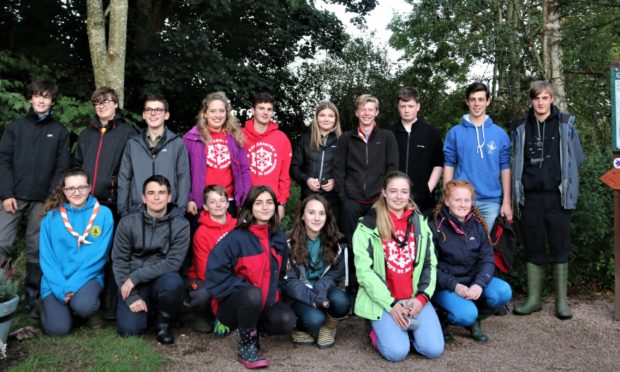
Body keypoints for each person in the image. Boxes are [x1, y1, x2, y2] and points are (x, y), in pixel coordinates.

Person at [353, 171, 443, 362]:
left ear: (409, 193)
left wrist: (421, 298)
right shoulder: (367, 226)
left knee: (433, 349)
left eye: (404, 191)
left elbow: (430, 264)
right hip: (385, 301)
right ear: (384, 192)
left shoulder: (420, 223)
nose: (399, 196)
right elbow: (364, 273)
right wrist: (391, 304)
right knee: (397, 353)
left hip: (413, 298)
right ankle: (377, 331)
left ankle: (407, 332)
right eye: (393, 191)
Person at [512, 81, 584, 319]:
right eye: (536, 98)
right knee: (533, 246)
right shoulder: (521, 127)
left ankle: (561, 303)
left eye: (545, 98)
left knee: (559, 245)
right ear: (531, 100)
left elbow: (578, 158)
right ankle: (533, 300)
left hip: (558, 196)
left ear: (551, 98)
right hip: (530, 196)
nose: (540, 103)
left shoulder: (565, 124)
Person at [0, 79, 70, 318]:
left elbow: (62, 168)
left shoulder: (59, 131)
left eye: (47, 96)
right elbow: (3, 161)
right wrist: (7, 193)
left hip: (43, 200)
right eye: (37, 95)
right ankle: (3, 292)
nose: (41, 100)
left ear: (52, 101)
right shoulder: (16, 127)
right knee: (2, 243)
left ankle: (33, 299)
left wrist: (51, 198)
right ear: (30, 98)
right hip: (13, 197)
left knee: (36, 248)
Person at [205, 186, 295, 369]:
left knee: (287, 320)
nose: (265, 207)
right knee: (253, 294)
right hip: (233, 307)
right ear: (250, 207)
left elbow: (283, 275)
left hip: (265, 303)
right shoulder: (236, 238)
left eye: (269, 202)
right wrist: (246, 288)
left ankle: (253, 330)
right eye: (259, 203)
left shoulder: (279, 239)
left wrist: (276, 292)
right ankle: (246, 346)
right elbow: (215, 274)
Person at [73, 86, 136, 319]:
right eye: (97, 102)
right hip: (86, 203)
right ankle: (87, 301)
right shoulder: (86, 134)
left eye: (106, 101)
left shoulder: (128, 133)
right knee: (89, 250)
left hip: (113, 202)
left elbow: (131, 168)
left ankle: (112, 305)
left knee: (114, 254)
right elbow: (76, 165)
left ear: (116, 104)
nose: (101, 106)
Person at [431, 180, 512, 342]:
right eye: (457, 200)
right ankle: (442, 318)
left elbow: (488, 259)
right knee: (466, 314)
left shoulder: (478, 224)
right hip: (446, 286)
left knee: (503, 292)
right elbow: (431, 267)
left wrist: (479, 284)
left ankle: (475, 320)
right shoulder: (435, 226)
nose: (463, 204)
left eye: (466, 200)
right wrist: (455, 286)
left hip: (472, 281)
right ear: (447, 201)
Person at [112, 175, 190, 345]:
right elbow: (119, 261)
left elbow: (173, 262)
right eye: (151, 192)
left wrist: (136, 276)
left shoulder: (181, 224)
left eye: (162, 193)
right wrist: (131, 297)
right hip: (133, 283)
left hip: (161, 279)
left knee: (173, 282)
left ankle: (163, 323)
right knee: (129, 330)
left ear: (169, 197)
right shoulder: (128, 222)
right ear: (143, 198)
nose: (156, 197)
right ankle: (147, 310)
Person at [334, 94, 399, 292]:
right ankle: (353, 287)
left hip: (377, 201)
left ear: (377, 112)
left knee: (378, 245)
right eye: (363, 109)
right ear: (357, 112)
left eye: (371, 109)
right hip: (352, 201)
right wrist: (344, 197)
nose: (367, 113)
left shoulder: (387, 137)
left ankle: (379, 285)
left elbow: (392, 167)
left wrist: (385, 196)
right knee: (353, 245)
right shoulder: (346, 138)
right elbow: (339, 169)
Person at [38, 169, 113, 336]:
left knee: (84, 306)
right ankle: (46, 306)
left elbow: (99, 257)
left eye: (81, 187)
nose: (77, 192)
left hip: (87, 277)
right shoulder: (50, 218)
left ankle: (81, 310)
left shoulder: (104, 214)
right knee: (58, 329)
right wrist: (60, 288)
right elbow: (47, 259)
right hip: (55, 280)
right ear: (64, 191)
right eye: (71, 188)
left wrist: (72, 286)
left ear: (89, 188)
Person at [443, 82, 512, 229]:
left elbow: (505, 168)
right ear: (467, 102)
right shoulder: (455, 133)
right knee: (460, 246)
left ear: (488, 101)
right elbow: (448, 164)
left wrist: (506, 202)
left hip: (491, 201)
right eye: (473, 99)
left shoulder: (499, 134)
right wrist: (447, 197)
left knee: (487, 248)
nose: (477, 104)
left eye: (481, 99)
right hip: (461, 200)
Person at [284, 194, 350, 349]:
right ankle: (299, 327)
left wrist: (319, 293)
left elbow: (335, 276)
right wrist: (313, 299)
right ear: (302, 216)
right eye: (311, 212)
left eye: (321, 213)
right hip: (298, 294)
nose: (316, 218)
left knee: (342, 302)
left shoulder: (337, 242)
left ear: (327, 217)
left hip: (323, 290)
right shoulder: (287, 242)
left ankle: (328, 328)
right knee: (314, 319)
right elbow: (290, 282)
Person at [117, 94, 190, 217]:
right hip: (137, 211)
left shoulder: (177, 143)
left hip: (169, 212)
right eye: (149, 110)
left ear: (166, 115)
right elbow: (124, 178)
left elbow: (183, 178)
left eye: (158, 110)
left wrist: (180, 210)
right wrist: (123, 211)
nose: (153, 113)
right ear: (144, 115)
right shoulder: (133, 144)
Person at [183, 91, 251, 220]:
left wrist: (244, 200)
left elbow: (244, 170)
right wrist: (189, 199)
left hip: (228, 202)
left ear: (226, 114)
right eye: (213, 111)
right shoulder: (191, 138)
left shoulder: (235, 137)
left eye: (221, 111)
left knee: (228, 239)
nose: (217, 115)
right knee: (201, 239)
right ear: (205, 114)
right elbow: (183, 172)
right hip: (200, 203)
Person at [186, 185, 237, 333]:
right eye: (213, 202)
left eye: (222, 200)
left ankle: (228, 314)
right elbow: (204, 269)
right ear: (206, 207)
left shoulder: (237, 226)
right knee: (202, 295)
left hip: (232, 275)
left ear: (228, 204)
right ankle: (201, 314)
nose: (218, 205)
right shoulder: (201, 233)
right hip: (205, 278)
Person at [390, 87, 443, 215]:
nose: (406, 110)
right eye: (403, 106)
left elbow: (438, 164)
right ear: (398, 107)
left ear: (418, 107)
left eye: (410, 106)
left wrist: (427, 189)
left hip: (423, 200)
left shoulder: (431, 132)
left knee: (421, 233)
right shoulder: (389, 133)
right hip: (394, 198)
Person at [242, 92, 292, 220]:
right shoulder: (240, 136)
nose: (265, 112)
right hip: (246, 201)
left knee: (269, 239)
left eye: (269, 109)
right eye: (261, 108)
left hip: (271, 202)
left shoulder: (281, 139)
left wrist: (281, 203)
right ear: (253, 110)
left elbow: (284, 175)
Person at [290, 102, 342, 219]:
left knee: (332, 235)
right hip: (308, 197)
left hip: (333, 199)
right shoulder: (305, 140)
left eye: (330, 115)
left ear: (335, 119)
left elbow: (349, 169)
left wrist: (335, 181)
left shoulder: (343, 141)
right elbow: (294, 167)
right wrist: (307, 180)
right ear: (316, 118)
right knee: (307, 234)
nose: (326, 119)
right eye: (322, 115)